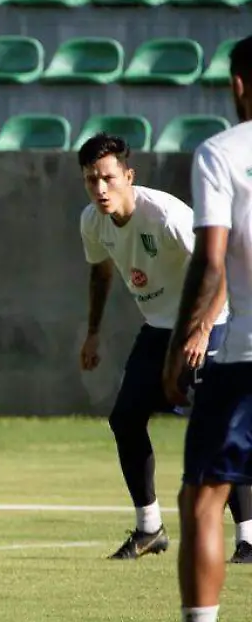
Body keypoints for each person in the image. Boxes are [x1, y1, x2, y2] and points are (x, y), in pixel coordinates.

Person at [127, 34, 252, 622]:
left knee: (203, 499)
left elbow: (210, 261)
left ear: (238, 84)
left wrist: (181, 346)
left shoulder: (222, 153)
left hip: (242, 357)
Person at [76, 133, 252, 561]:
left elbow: (220, 265)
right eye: (91, 180)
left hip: (210, 324)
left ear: (128, 175)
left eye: (108, 178)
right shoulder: (92, 221)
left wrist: (201, 329)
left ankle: (248, 537)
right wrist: (93, 332)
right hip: (158, 330)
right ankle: (149, 529)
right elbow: (100, 274)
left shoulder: (167, 214)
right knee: (125, 418)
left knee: (215, 425)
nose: (100, 189)